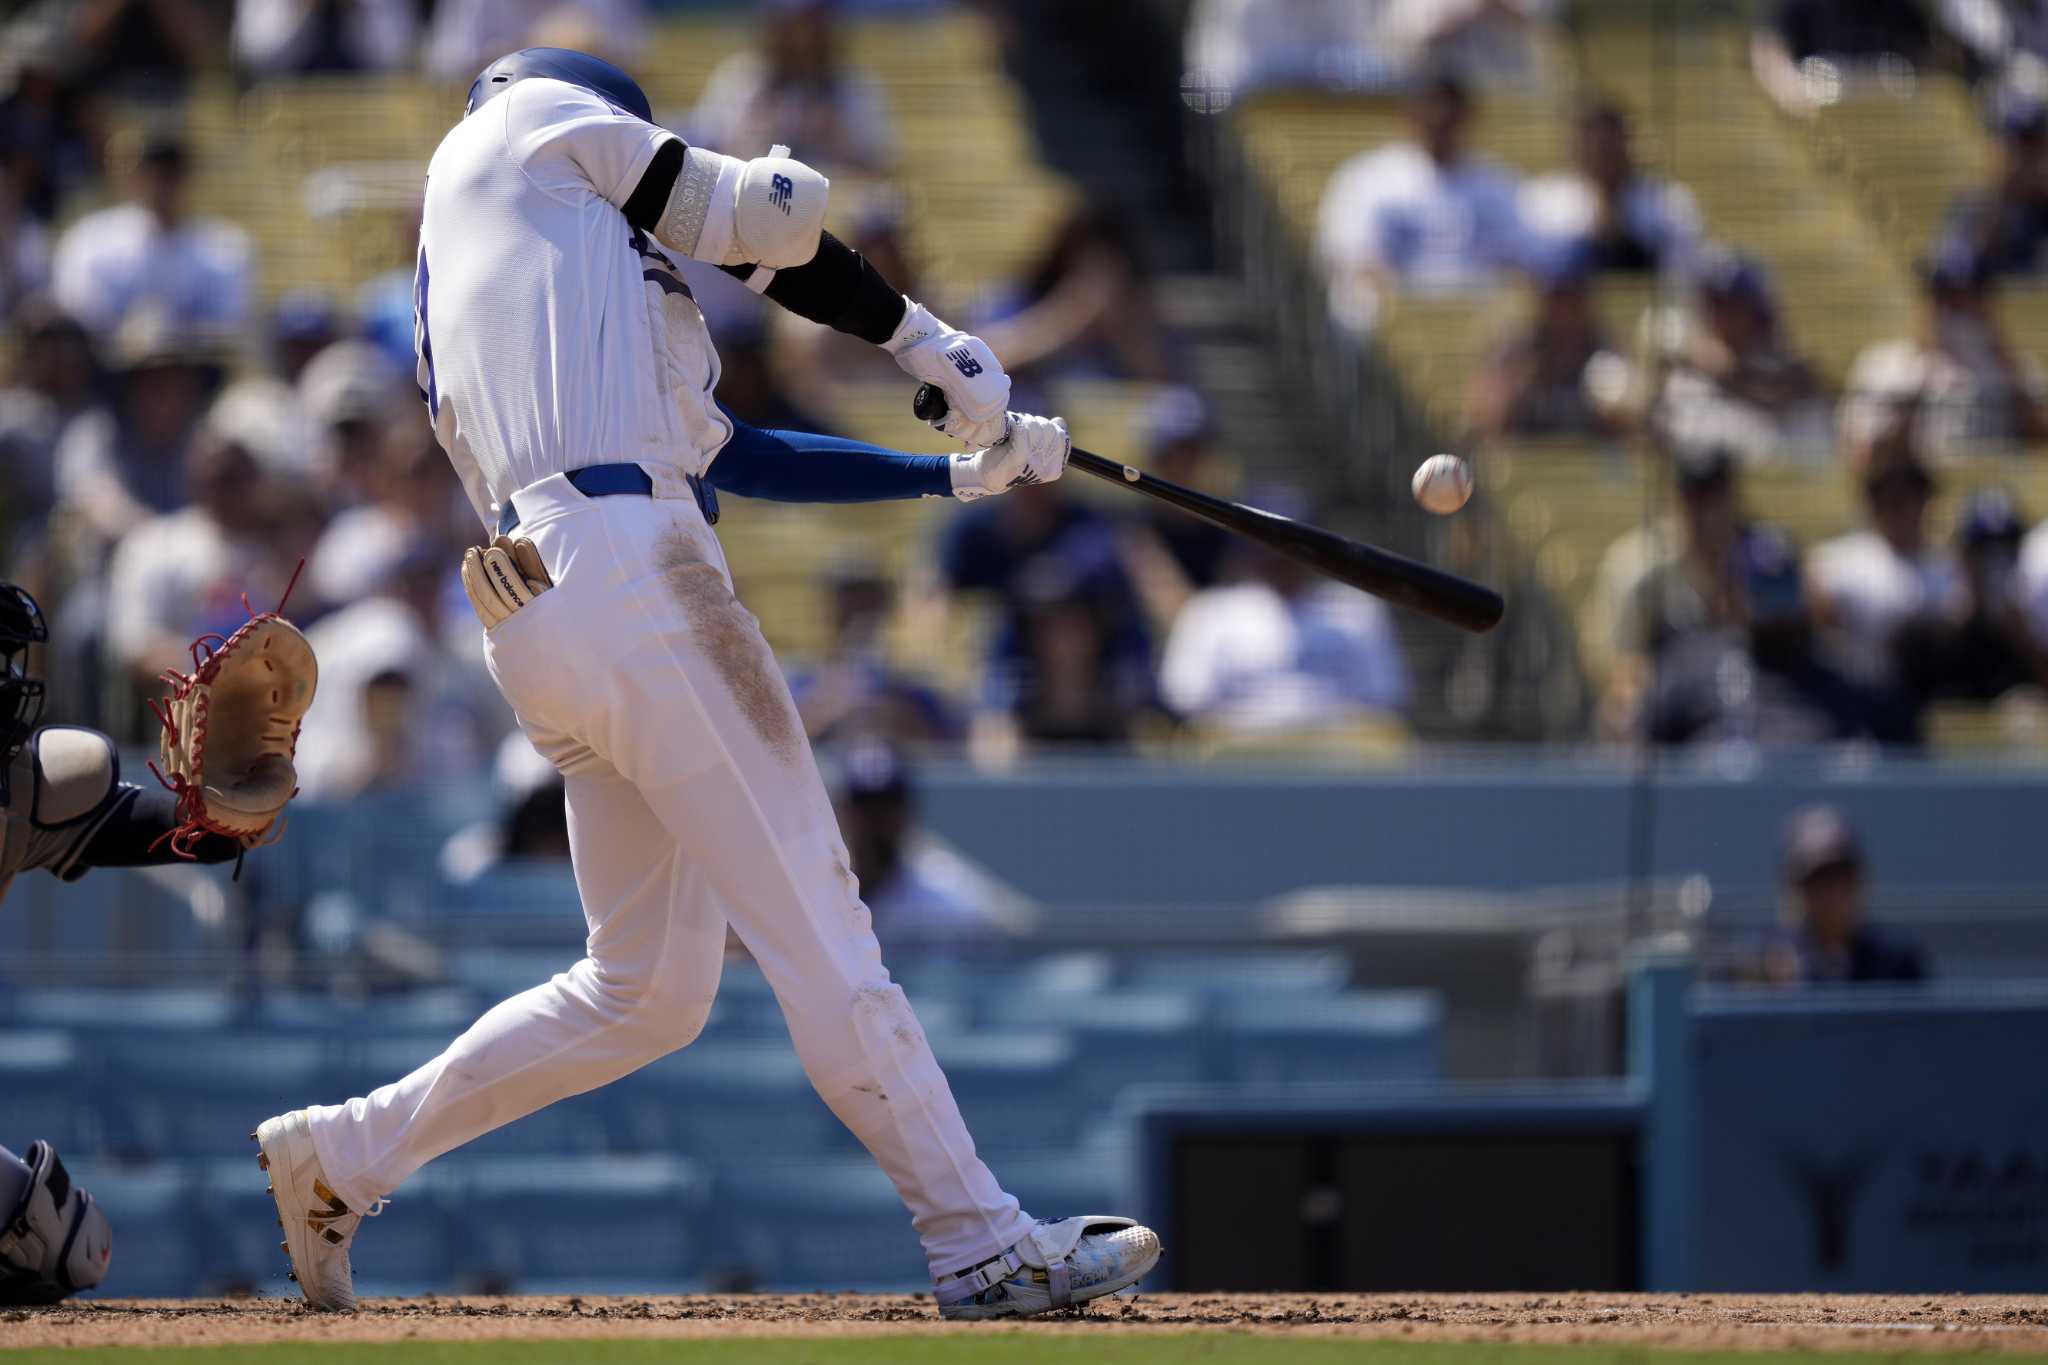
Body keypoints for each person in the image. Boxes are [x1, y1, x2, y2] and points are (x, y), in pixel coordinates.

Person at [251, 49, 1158, 1319]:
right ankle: (980, 1243)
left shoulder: (536, 270)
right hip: (632, 575)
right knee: (822, 925)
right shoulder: (533, 120)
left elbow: (728, 453)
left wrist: (953, 477)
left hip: (552, 602)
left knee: (641, 992)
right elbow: (773, 220)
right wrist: (930, 340)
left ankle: (343, 1152)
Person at [0, 577, 275, 1302]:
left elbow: (185, 836)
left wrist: (228, 800)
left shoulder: (19, 790)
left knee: (64, 1242)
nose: (8, 681)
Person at [1160, 501, 1409, 736]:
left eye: (1293, 544)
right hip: (1240, 760)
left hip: (1336, 757)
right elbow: (1188, 698)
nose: (1282, 555)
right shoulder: (1212, 611)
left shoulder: (1354, 608)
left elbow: (1383, 697)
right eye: (1270, 542)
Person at [1316, 68, 1527, 330]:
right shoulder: (1368, 178)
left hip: (1477, 316)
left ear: (1468, 116)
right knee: (1355, 303)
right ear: (1409, 112)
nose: (1439, 117)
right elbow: (1354, 257)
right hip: (1394, 316)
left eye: (1449, 108)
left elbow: (1517, 260)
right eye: (1430, 106)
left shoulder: (1498, 184)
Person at [1839, 250, 2048, 462]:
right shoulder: (1884, 365)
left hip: (1995, 487)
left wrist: (2008, 370)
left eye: (1969, 296)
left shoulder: (2020, 368)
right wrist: (1916, 391)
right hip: (1928, 488)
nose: (1955, 309)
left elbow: (2041, 440)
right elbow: (1862, 454)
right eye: (1943, 297)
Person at [822, 738, 1024, 954]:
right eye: (864, 810)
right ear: (839, 814)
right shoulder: (814, 894)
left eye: (885, 809)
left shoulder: (947, 899)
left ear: (907, 814)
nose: (874, 824)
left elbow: (1013, 935)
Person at [51, 129, 253, 344]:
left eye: (170, 173)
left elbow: (228, 326)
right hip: (106, 369)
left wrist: (167, 339)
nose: (160, 184)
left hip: (194, 368)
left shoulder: (226, 247)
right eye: (150, 172)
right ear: (131, 174)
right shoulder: (90, 239)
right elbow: (79, 316)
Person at [1657, 248, 1832, 464]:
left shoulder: (1786, 368)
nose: (1719, 316)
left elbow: (1786, 383)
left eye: (1731, 306)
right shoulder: (1684, 368)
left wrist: (1729, 371)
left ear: (1756, 313)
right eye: (1713, 304)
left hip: (1778, 468)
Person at [1807, 457, 1967, 693]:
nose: (1903, 510)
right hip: (1862, 690)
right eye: (1892, 501)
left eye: (1912, 498)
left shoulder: (1949, 568)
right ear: (1874, 503)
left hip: (1935, 688)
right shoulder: (1838, 563)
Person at [689, 0, 896, 175]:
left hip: (831, 208)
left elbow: (880, 166)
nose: (800, 40)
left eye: (809, 26)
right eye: (789, 28)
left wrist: (835, 136)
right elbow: (706, 154)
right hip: (748, 205)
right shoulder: (739, 79)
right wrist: (759, 131)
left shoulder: (853, 86)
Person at [1465, 247, 1632, 445]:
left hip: (1591, 467)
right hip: (1525, 467)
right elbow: (1482, 421)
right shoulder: (1517, 352)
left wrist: (1616, 411)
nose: (1564, 311)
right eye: (1556, 299)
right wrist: (1519, 385)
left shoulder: (1607, 351)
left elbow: (1634, 426)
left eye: (1573, 298)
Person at [1518, 100, 1701, 276]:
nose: (1601, 155)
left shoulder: (1667, 200)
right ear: (1576, 146)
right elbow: (1537, 267)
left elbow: (1684, 266)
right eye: (1593, 144)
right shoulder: (1545, 198)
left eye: (1608, 146)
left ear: (1628, 145)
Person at [1761, 805, 1928, 983]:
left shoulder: (1898, 960)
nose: (1832, 893)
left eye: (1841, 877)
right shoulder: (1767, 959)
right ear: (1796, 887)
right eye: (1818, 880)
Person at [1751, 0, 1935, 117]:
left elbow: (1927, 59)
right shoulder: (1802, 6)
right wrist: (1791, 93)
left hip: (1887, 122)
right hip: (1818, 126)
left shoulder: (1899, 8)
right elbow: (1770, 50)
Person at [1938, 98, 2048, 281]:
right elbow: (1952, 279)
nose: (2026, 158)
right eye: (2017, 146)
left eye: (2034, 146)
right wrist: (2001, 202)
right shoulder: (1973, 208)